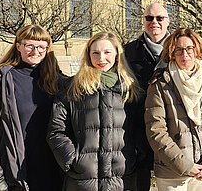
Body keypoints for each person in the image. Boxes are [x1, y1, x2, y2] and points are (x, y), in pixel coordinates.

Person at [0, 25, 64, 190]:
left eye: (41, 47)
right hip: (15, 174)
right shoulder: (0, 79)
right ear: (18, 46)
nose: (36, 51)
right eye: (29, 45)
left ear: (48, 50)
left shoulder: (57, 81)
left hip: (54, 173)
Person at [47, 32, 139, 190]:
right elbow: (56, 131)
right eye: (95, 53)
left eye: (107, 52)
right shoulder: (72, 89)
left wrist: (134, 157)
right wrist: (72, 161)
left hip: (121, 179)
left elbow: (141, 129)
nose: (101, 58)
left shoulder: (130, 89)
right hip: (82, 180)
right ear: (88, 55)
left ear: (117, 54)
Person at [144, 28, 202, 191]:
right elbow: (156, 131)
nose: (185, 54)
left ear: (198, 51)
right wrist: (186, 166)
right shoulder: (160, 85)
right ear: (171, 53)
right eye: (178, 50)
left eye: (190, 48)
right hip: (172, 173)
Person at [123, 2, 170, 191]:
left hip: (171, 135)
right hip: (138, 135)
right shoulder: (127, 52)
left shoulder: (180, 50)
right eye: (149, 18)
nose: (154, 22)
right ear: (143, 21)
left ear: (168, 21)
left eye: (160, 18)